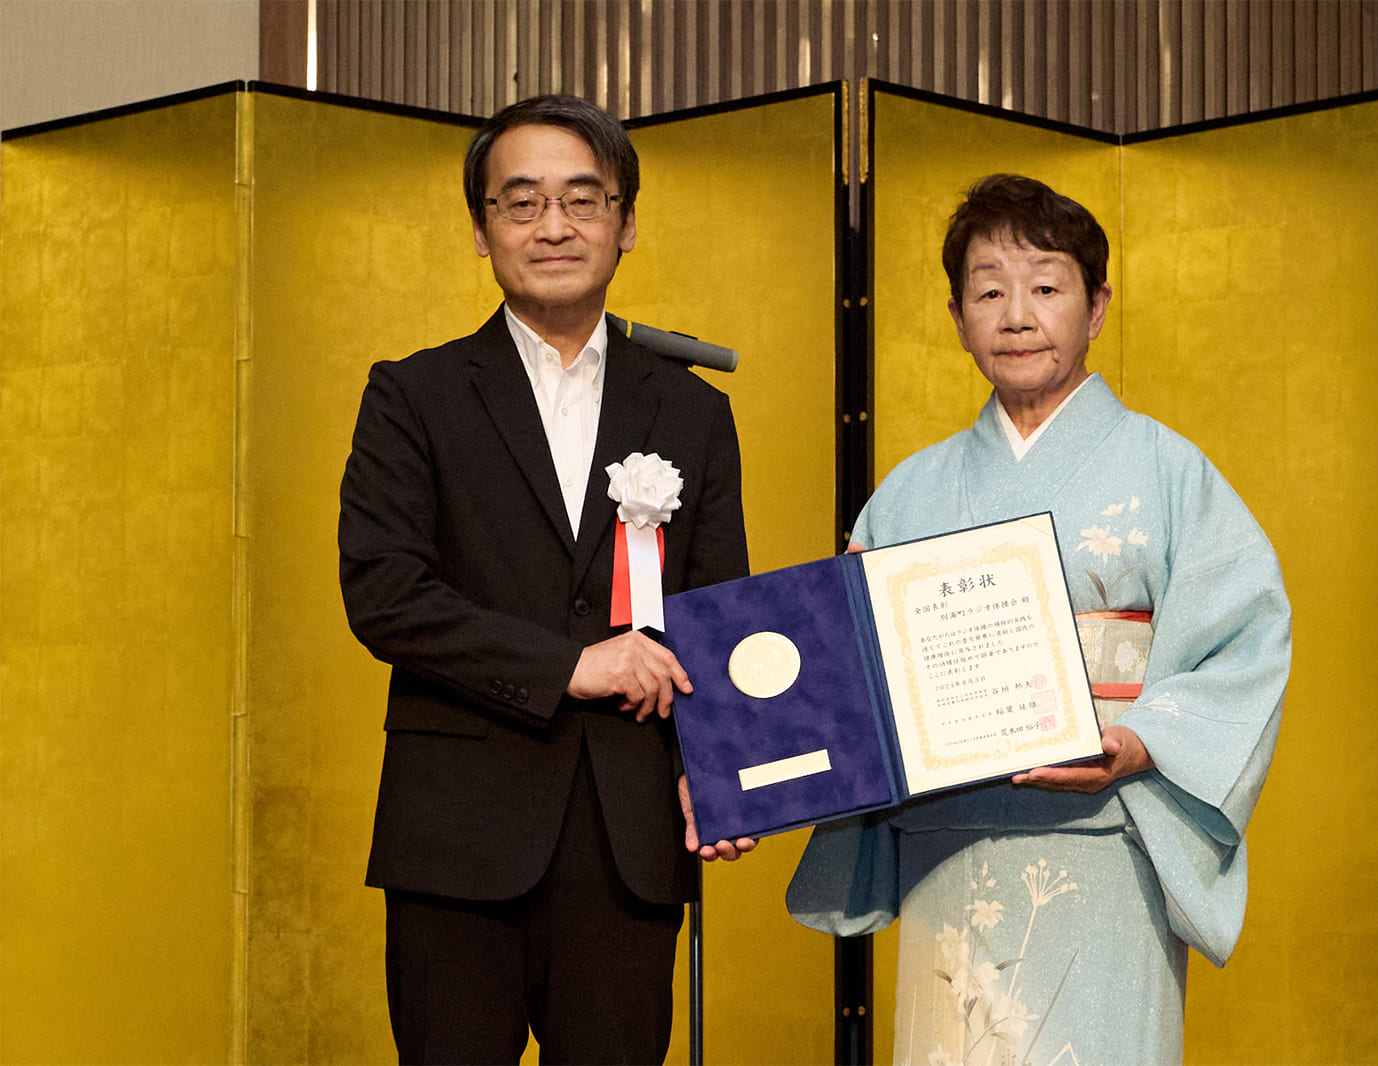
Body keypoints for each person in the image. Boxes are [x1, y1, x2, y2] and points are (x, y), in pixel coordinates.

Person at [787, 174, 1291, 1064]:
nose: (1017, 316)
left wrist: (1139, 742)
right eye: (988, 292)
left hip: (1109, 838)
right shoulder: (909, 492)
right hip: (948, 839)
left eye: (1046, 287)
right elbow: (846, 667)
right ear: (956, 319)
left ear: (1097, 307)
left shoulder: (1169, 471)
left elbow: (1245, 641)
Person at [339, 94, 754, 1065]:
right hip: (455, 839)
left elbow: (715, 613)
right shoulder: (413, 394)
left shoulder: (691, 411)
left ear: (626, 222)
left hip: (628, 840)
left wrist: (726, 775)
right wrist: (572, 665)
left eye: (581, 199)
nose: (553, 226)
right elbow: (386, 594)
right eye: (521, 202)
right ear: (481, 228)